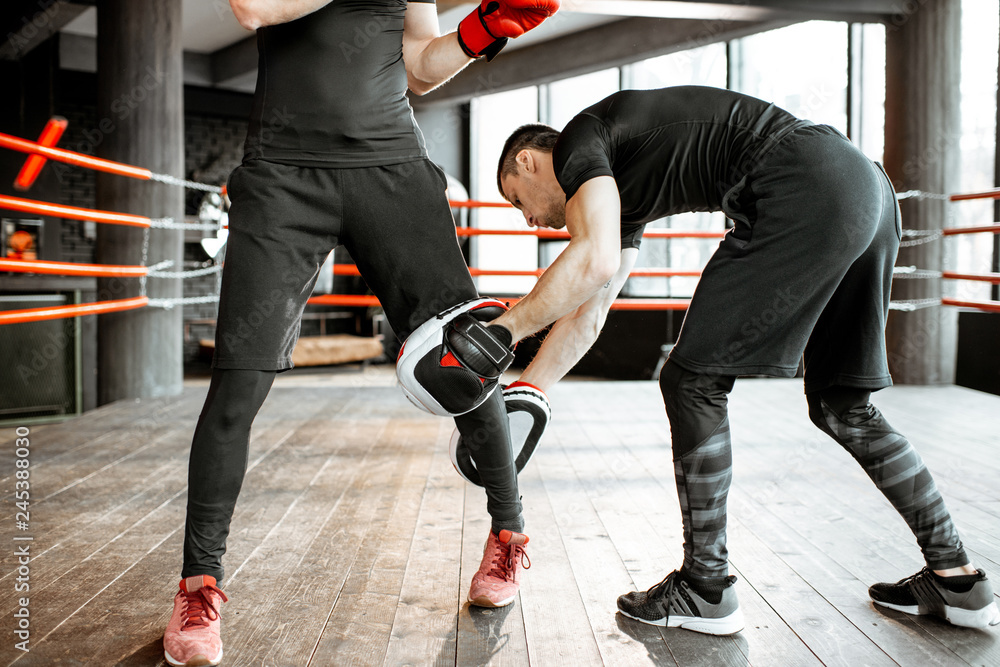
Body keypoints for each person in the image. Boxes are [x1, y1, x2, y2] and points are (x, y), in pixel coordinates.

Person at [488, 85, 1000, 635]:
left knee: (691, 382)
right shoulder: (616, 198)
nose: (528, 221)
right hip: (862, 187)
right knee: (842, 405)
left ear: (531, 160)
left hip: (801, 178)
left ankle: (705, 587)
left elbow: (591, 261)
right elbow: (590, 314)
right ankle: (955, 575)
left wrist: (497, 333)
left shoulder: (578, 142)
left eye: (518, 200)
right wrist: (524, 396)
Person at [162, 0, 557, 664]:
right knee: (237, 379)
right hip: (282, 174)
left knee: (467, 354)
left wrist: (482, 30)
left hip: (390, 164)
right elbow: (252, 9)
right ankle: (199, 586)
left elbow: (420, 67)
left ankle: (508, 536)